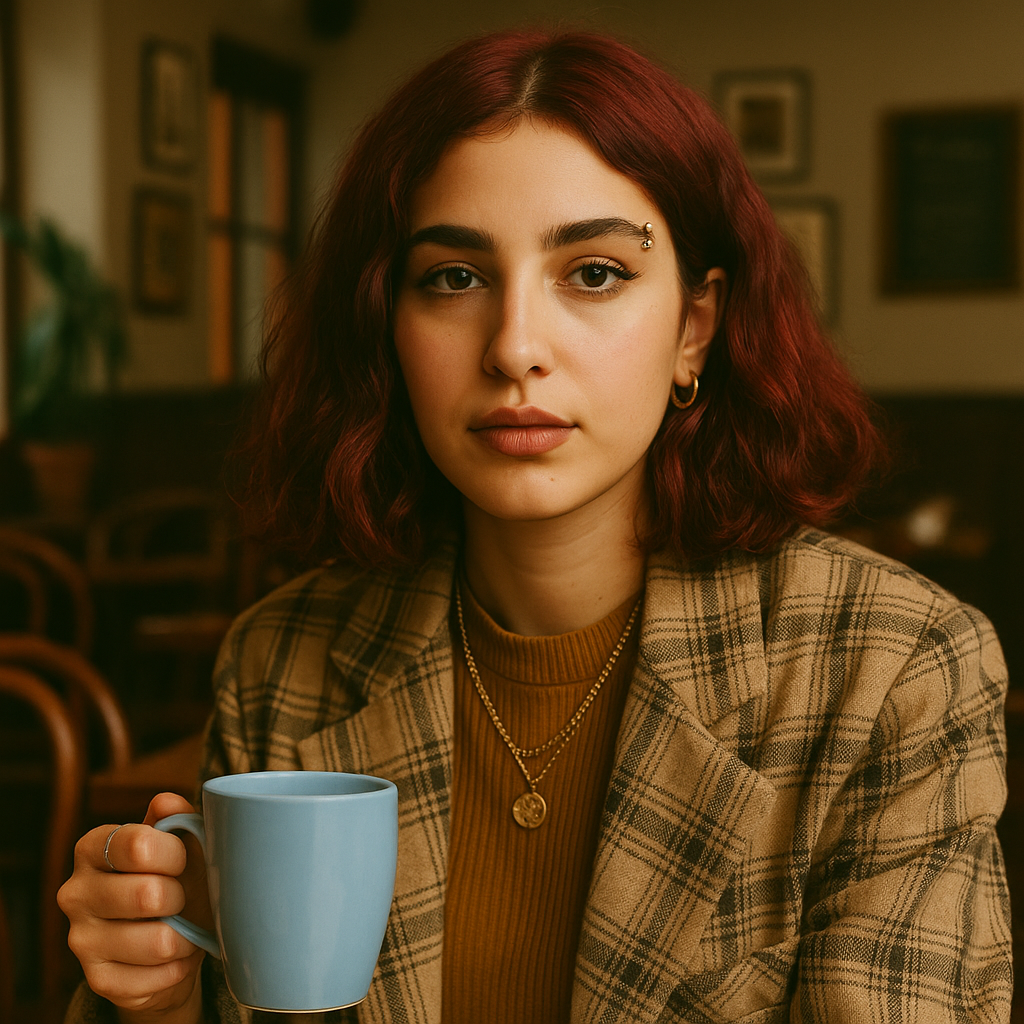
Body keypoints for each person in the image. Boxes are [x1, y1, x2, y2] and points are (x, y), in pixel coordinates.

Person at [58, 28, 1011, 1024]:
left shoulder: (892, 666)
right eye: (453, 278)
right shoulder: (284, 660)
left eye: (593, 273)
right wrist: (155, 998)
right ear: (390, 328)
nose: (514, 346)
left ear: (694, 328)